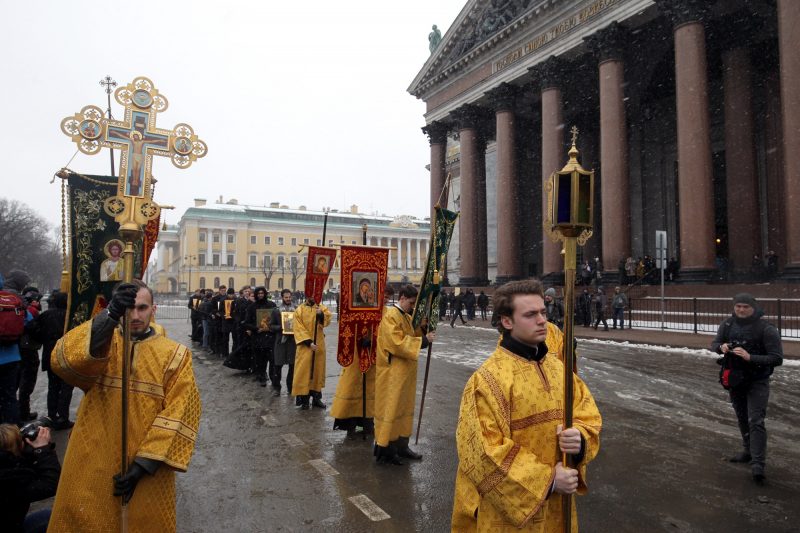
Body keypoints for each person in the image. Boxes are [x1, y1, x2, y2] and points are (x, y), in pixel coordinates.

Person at [48, 279, 201, 531]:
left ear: (154, 309)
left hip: (148, 463)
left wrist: (143, 465)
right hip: (95, 451)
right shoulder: (103, 342)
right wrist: (109, 316)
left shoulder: (176, 354)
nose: (135, 315)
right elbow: (64, 361)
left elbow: (181, 410)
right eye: (127, 308)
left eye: (142, 308)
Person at [451, 279, 602, 531]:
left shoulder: (559, 369)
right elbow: (483, 453)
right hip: (509, 518)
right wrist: (549, 479)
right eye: (530, 314)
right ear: (507, 321)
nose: (542, 320)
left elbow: (587, 414)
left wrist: (580, 439)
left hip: (559, 510)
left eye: (543, 312)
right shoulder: (487, 380)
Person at [711, 293, 783, 486]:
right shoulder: (727, 325)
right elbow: (714, 345)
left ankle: (758, 465)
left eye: (745, 307)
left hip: (757, 381)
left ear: (754, 308)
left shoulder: (766, 329)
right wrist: (722, 347)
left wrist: (751, 357)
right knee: (742, 417)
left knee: (756, 420)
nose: (741, 310)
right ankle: (748, 451)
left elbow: (777, 358)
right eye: (738, 306)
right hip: (735, 379)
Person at [373, 284, 435, 465]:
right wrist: (423, 340)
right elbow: (396, 343)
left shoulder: (407, 316)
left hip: (405, 372)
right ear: (402, 298)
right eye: (411, 303)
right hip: (393, 372)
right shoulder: (391, 316)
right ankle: (387, 449)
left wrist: (424, 327)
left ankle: (402, 445)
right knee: (392, 409)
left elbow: (414, 332)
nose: (413, 306)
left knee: (404, 408)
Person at [331, 286, 395, 439]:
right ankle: (350, 425)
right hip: (356, 357)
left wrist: (375, 340)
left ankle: (368, 425)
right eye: (384, 295)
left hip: (376, 357)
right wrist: (361, 338)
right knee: (352, 388)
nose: (385, 299)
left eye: (388, 296)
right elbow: (348, 328)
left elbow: (390, 333)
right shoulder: (360, 308)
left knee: (372, 392)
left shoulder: (389, 312)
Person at [0, 423, 61, 533]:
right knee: (54, 519)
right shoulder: (8, 479)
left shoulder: (6, 465)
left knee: (48, 516)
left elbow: (23, 467)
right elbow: (51, 484)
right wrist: (42, 449)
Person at [32, 291, 74, 429]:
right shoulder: (71, 315)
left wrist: (44, 338)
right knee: (66, 388)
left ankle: (52, 414)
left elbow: (32, 329)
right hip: (67, 355)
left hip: (50, 355)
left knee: (53, 387)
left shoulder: (46, 315)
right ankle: (63, 416)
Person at [0, 270, 34, 425]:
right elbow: (28, 321)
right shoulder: (15, 299)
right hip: (12, 355)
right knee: (10, 396)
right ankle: (13, 433)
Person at [292, 297, 332, 410]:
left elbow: (327, 320)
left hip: (318, 345)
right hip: (305, 347)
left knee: (317, 372)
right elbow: (298, 328)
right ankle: (304, 399)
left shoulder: (321, 308)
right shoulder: (300, 310)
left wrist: (321, 315)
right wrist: (308, 342)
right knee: (304, 373)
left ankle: (316, 398)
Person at [243, 287, 276, 387]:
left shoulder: (271, 305)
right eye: (259, 293)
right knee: (260, 360)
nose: (261, 295)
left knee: (272, 360)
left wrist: (271, 327)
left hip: (270, 337)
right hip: (258, 338)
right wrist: (256, 328)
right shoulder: (252, 307)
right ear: (256, 295)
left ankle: (274, 379)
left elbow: (277, 320)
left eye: (262, 293)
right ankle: (261, 377)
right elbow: (247, 323)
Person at [269, 289, 297, 396]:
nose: (288, 299)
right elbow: (271, 326)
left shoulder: (296, 309)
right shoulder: (276, 311)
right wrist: (281, 327)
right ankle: (276, 388)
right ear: (282, 298)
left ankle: (290, 387)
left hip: (293, 342)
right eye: (286, 297)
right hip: (280, 341)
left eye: (289, 297)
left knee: (292, 366)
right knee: (278, 366)